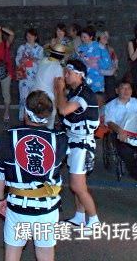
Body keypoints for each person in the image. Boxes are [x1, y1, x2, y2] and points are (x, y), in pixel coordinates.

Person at [0, 90, 69, 261]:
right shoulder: (60, 138)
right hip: (47, 207)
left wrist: (0, 198)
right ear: (48, 115)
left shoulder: (9, 136)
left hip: (18, 205)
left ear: (26, 111)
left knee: (12, 254)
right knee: (45, 254)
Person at [53, 59, 101, 227]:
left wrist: (59, 90)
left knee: (77, 185)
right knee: (78, 184)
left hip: (82, 143)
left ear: (80, 75)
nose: (65, 75)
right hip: (75, 141)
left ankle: (94, 221)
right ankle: (80, 216)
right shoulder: (76, 92)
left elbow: (64, 110)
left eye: (69, 72)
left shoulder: (84, 94)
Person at [104, 80, 137, 183]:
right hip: (121, 134)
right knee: (126, 152)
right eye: (123, 88)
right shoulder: (110, 106)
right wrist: (119, 130)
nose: (126, 91)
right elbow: (109, 122)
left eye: (129, 88)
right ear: (117, 90)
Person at [32, 44, 69, 129]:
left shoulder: (43, 60)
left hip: (34, 93)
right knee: (49, 121)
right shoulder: (57, 67)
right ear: (62, 56)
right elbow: (58, 86)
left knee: (34, 117)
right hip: (47, 97)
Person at [75, 26, 111, 105]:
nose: (82, 39)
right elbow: (76, 62)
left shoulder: (99, 46)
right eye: (81, 37)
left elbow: (107, 61)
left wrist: (96, 62)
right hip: (84, 76)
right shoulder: (79, 48)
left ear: (91, 37)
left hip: (97, 76)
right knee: (84, 98)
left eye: (85, 37)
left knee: (97, 99)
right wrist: (80, 58)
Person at [15, 29, 44, 121]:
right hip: (24, 77)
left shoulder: (40, 49)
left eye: (31, 36)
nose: (29, 38)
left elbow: (42, 62)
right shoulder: (22, 47)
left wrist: (32, 60)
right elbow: (17, 61)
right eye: (27, 36)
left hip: (36, 77)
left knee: (35, 98)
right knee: (23, 98)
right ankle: (23, 116)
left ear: (35, 37)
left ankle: (34, 117)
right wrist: (22, 60)